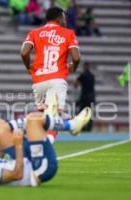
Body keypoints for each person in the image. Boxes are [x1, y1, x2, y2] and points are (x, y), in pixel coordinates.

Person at [0, 105, 92, 186]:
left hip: (29, 160)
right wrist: (18, 145)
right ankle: (71, 126)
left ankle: (47, 128)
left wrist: (2, 134)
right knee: (34, 120)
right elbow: (17, 175)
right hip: (39, 169)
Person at [21, 7, 80, 138]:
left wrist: (28, 67)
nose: (65, 21)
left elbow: (24, 52)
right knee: (53, 117)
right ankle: (67, 127)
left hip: (39, 81)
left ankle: (33, 141)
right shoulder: (68, 33)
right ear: (59, 18)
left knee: (44, 117)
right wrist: (73, 67)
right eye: (64, 18)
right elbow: (76, 57)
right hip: (56, 79)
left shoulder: (34, 32)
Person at [74, 62, 95, 131]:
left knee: (82, 112)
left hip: (84, 97)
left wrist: (76, 82)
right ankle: (89, 128)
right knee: (90, 113)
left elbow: (75, 85)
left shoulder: (82, 75)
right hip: (91, 97)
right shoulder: (92, 76)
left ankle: (82, 127)